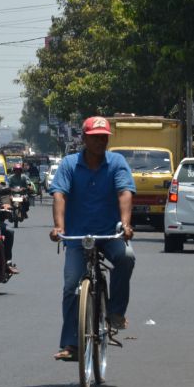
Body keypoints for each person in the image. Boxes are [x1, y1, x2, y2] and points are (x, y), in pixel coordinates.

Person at [48, 116, 136, 361]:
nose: (100, 141)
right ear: (84, 138)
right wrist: (58, 227)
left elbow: (125, 192)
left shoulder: (117, 162)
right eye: (95, 137)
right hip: (78, 236)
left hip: (110, 233)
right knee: (71, 284)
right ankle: (70, 344)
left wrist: (126, 224)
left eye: (104, 137)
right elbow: (59, 195)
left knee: (126, 257)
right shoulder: (69, 164)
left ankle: (116, 312)